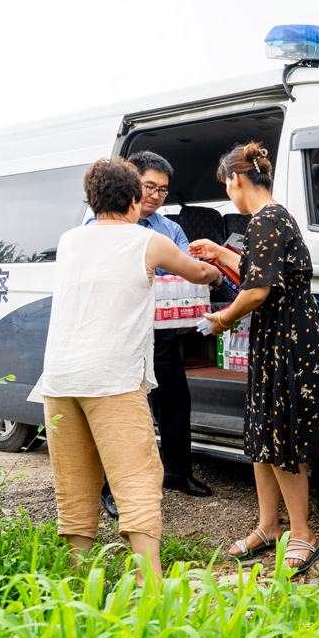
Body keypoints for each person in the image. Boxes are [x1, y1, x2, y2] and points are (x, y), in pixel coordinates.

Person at [42, 157, 221, 585]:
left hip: (58, 380)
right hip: (113, 379)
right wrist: (215, 272)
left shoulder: (69, 240)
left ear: (91, 199)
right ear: (136, 198)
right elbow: (195, 271)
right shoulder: (145, 241)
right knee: (138, 480)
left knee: (76, 486)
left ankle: (78, 584)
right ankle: (149, 587)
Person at [190, 141, 319, 573]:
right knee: (262, 433)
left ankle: (303, 533)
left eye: (227, 187)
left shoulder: (266, 220)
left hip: (288, 336)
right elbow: (260, 272)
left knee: (282, 436)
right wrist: (221, 253)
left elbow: (257, 290)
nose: (228, 195)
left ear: (236, 179)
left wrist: (221, 318)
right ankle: (269, 526)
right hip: (279, 333)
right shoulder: (272, 218)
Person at [98, 150, 211, 524]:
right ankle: (111, 490)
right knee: (126, 411)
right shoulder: (103, 226)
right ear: (132, 184)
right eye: (149, 187)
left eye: (163, 190)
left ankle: (177, 473)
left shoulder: (170, 229)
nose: (156, 196)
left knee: (175, 399)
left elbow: (185, 270)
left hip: (159, 332)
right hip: (120, 332)